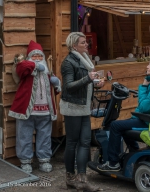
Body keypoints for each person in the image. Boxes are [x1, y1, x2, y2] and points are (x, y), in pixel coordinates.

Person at [97, 54, 150, 172]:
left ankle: (113, 163)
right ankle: (134, 154)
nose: (147, 67)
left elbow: (143, 107)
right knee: (125, 124)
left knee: (115, 126)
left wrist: (143, 87)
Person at [8, 40, 61, 173]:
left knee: (44, 137)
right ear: (29, 57)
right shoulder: (26, 68)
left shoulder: (47, 71)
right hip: (27, 111)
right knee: (24, 137)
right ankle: (25, 162)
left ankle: (44, 160)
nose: (38, 59)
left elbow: (53, 91)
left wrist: (57, 84)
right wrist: (35, 65)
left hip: (45, 111)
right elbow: (21, 67)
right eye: (34, 56)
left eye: (40, 56)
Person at [60, 32, 103, 191]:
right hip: (72, 107)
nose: (87, 45)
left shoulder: (85, 60)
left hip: (84, 107)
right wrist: (88, 79)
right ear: (74, 46)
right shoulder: (68, 62)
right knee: (72, 143)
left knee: (85, 142)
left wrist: (96, 83)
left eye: (86, 42)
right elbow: (68, 87)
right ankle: (70, 178)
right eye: (83, 43)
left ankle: (82, 179)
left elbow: (85, 83)